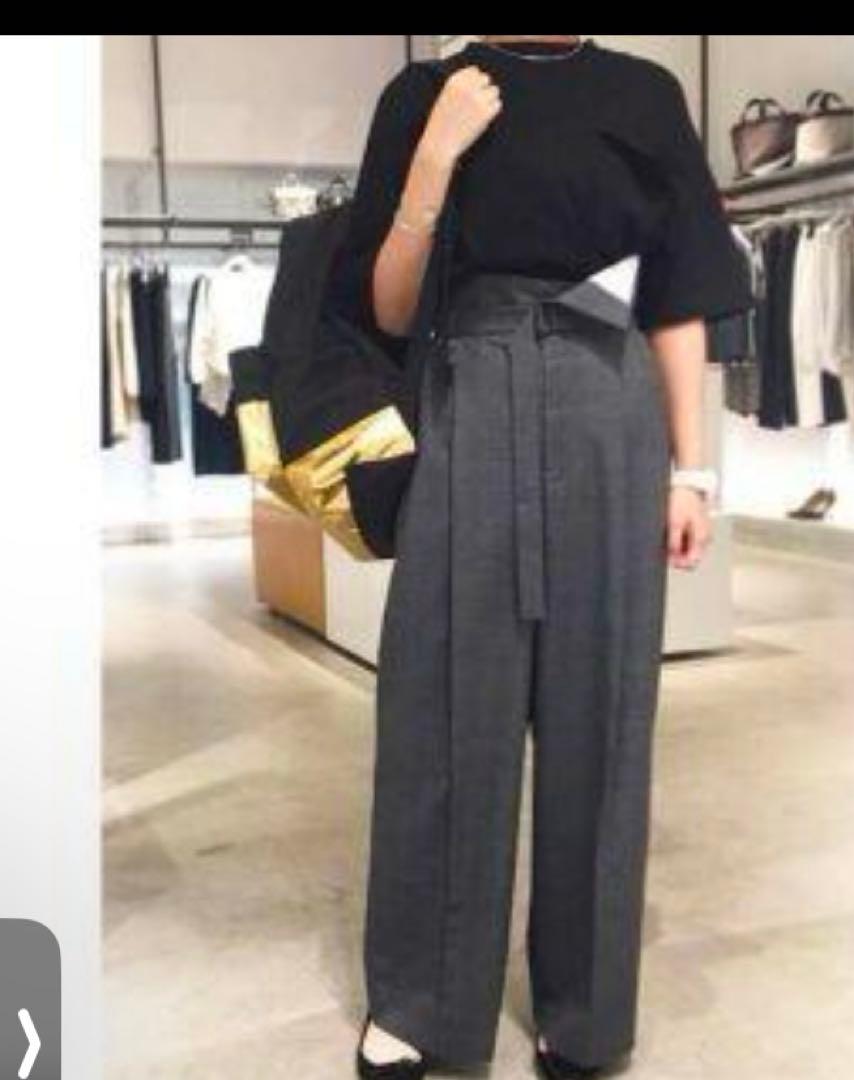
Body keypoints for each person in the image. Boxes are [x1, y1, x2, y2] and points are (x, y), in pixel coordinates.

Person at [341, 35, 752, 1080]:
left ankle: (586, 1007)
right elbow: (388, 307)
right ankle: (421, 999)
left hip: (608, 404)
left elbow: (674, 295)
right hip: (468, 400)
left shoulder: (644, 94)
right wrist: (435, 157)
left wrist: (694, 472)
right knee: (442, 704)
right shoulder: (425, 94)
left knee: (601, 713)